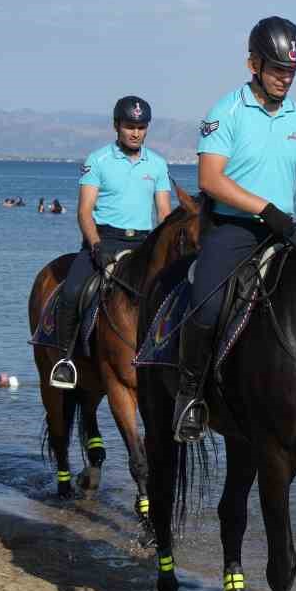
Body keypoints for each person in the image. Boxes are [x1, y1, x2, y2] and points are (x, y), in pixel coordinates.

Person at [173, 16, 296, 443]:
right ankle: (190, 397)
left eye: (291, 72)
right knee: (205, 306)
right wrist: (265, 209)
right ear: (252, 63)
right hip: (233, 231)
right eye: (278, 69)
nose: (285, 79)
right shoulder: (227, 112)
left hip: (287, 232)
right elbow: (210, 179)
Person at [48, 96, 173, 389]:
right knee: (72, 291)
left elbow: (165, 214)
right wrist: (95, 246)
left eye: (141, 127)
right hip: (103, 240)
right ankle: (65, 360)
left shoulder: (157, 164)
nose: (135, 133)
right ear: (116, 126)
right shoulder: (98, 160)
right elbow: (84, 211)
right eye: (130, 126)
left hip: (143, 244)